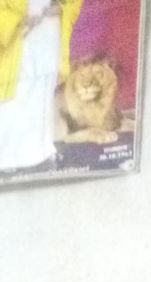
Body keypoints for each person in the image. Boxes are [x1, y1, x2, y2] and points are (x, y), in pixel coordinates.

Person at [0, 0, 83, 171]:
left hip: (50, 34)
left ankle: (41, 150)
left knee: (43, 94)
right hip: (18, 40)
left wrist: (61, 9)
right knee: (15, 97)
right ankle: (8, 158)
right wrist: (17, 21)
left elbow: (73, 4)